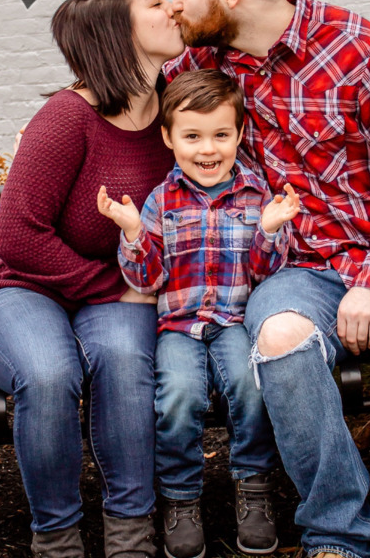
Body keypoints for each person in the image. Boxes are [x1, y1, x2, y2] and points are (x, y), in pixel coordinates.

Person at [163, 0, 370, 558]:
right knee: (279, 338)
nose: (174, 3)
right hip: (295, 269)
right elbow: (126, 88)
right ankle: (337, 530)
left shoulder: (357, 47)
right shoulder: (203, 64)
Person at [0, 0, 184, 558]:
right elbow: (17, 237)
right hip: (22, 288)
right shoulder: (68, 117)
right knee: (48, 372)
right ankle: (57, 537)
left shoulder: (176, 114)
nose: (173, 8)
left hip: (110, 290)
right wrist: (116, 285)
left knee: (123, 357)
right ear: (117, 28)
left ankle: (130, 532)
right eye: (157, 1)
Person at [97, 68, 300, 558]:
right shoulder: (160, 201)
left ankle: (254, 488)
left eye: (220, 135)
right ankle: (181, 499)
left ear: (239, 134)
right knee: (177, 397)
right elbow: (147, 280)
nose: (208, 149)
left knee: (251, 387)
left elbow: (265, 273)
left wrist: (271, 230)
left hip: (233, 322)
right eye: (192, 137)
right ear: (168, 138)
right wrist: (132, 233)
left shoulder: (257, 194)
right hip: (178, 328)